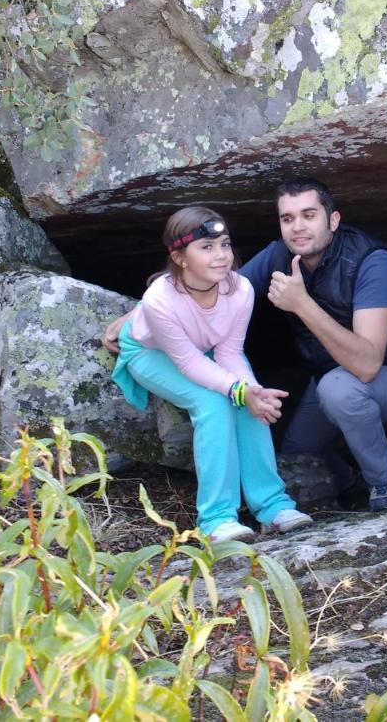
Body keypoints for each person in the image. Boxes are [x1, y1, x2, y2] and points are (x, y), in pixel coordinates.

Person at [107, 206, 312, 543]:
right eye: (207, 247)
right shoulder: (159, 300)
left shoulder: (241, 289)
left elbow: (229, 351)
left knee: (252, 398)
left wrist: (250, 392)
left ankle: (273, 507)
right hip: (150, 352)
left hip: (205, 351)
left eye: (225, 245)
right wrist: (237, 390)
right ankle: (216, 519)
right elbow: (187, 362)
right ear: (180, 258)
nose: (221, 256)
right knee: (213, 403)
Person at [238, 178, 387, 511]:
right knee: (299, 456)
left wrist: (302, 304)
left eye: (309, 215)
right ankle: (347, 481)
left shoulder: (371, 260)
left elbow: (368, 365)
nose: (298, 227)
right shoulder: (279, 254)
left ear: (333, 220)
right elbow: (219, 291)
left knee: (340, 389)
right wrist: (144, 314)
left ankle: (383, 477)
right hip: (330, 374)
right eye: (287, 218)